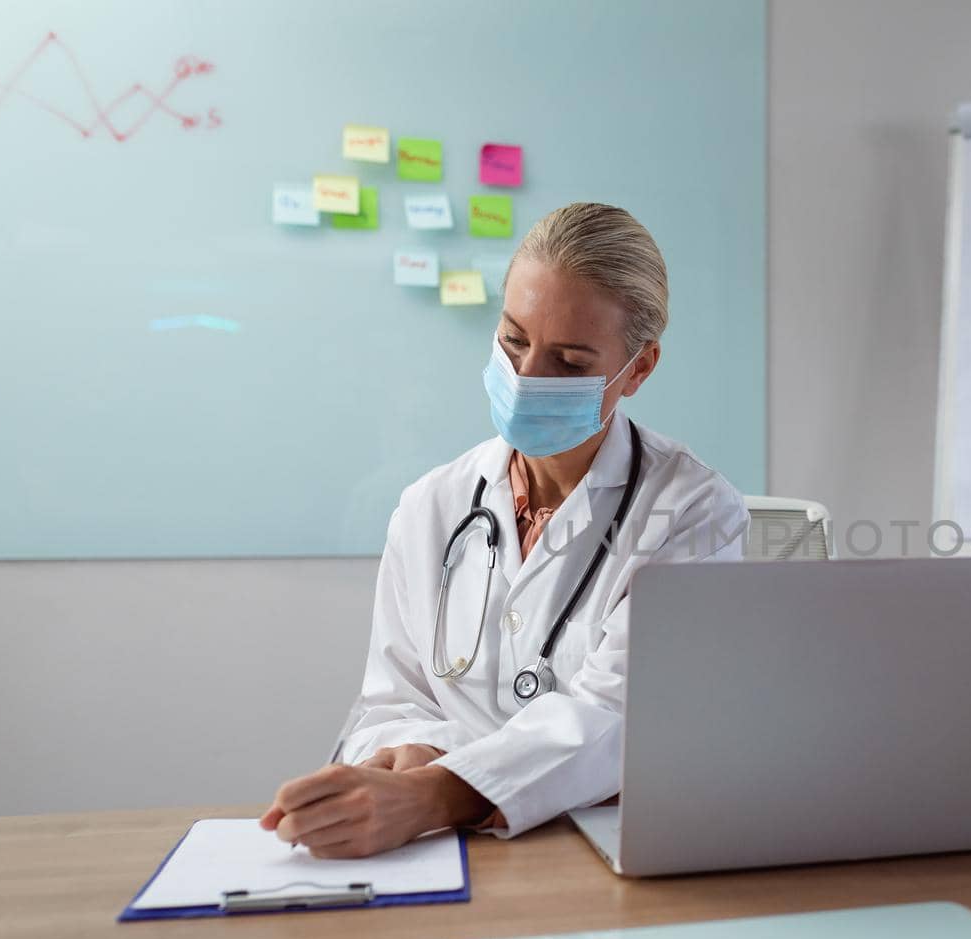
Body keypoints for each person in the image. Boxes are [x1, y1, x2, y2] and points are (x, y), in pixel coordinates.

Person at [260, 203, 748, 857]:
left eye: (570, 362)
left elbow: (622, 723)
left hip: (606, 857)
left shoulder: (693, 513)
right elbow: (391, 695)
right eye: (515, 340)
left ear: (638, 368)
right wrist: (406, 759)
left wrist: (438, 791)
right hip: (442, 850)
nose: (526, 377)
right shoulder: (430, 506)